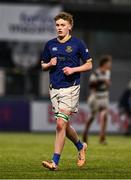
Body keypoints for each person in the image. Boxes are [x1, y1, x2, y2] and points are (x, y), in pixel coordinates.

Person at [41, 12, 92, 170]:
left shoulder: (78, 43)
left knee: (60, 123)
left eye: (63, 25)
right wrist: (50, 63)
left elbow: (89, 64)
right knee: (64, 125)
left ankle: (54, 162)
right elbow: (43, 65)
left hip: (71, 88)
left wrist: (74, 69)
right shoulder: (50, 44)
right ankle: (80, 146)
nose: (59, 28)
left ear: (70, 26)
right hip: (54, 89)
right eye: (57, 25)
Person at [82, 55, 112, 144]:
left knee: (104, 115)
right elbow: (91, 85)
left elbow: (107, 85)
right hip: (96, 97)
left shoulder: (108, 72)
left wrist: (107, 84)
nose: (110, 65)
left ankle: (102, 137)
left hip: (104, 97)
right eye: (108, 63)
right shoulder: (96, 73)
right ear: (104, 63)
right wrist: (103, 81)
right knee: (92, 117)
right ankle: (85, 134)